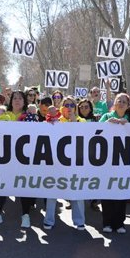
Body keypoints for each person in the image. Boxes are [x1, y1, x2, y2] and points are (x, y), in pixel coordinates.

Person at [0, 90, 36, 229]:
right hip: (6, 159)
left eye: (20, 98)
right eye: (15, 98)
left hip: (24, 158)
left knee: (24, 187)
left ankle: (25, 215)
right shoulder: (4, 115)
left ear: (25, 101)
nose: (17, 100)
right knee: (2, 186)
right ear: (10, 100)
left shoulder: (30, 116)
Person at [43, 96, 87, 231]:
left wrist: (74, 121)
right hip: (57, 162)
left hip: (75, 163)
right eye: (66, 105)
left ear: (76, 108)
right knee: (52, 192)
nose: (69, 108)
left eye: (72, 105)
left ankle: (79, 221)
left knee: (77, 192)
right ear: (61, 108)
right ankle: (49, 220)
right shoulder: (55, 121)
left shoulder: (82, 121)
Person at [99, 93, 130, 233]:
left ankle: (119, 223)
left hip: (123, 162)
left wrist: (128, 126)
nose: (122, 103)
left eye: (124, 101)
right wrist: (107, 125)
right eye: (119, 100)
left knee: (120, 194)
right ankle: (107, 222)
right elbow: (96, 131)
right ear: (115, 103)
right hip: (107, 160)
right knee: (107, 193)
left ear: (128, 105)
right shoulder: (106, 116)